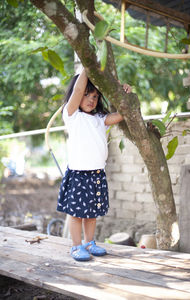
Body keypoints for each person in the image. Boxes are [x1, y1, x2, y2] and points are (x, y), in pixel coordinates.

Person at [57, 69, 131, 261]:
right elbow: (78, 88)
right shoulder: (72, 115)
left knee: (91, 214)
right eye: (86, 95)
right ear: (77, 95)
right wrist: (88, 68)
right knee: (76, 214)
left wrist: (125, 93)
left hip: (96, 175)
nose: (91, 99)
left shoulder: (100, 120)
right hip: (79, 175)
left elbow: (121, 115)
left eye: (95, 96)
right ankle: (75, 246)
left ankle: (89, 243)